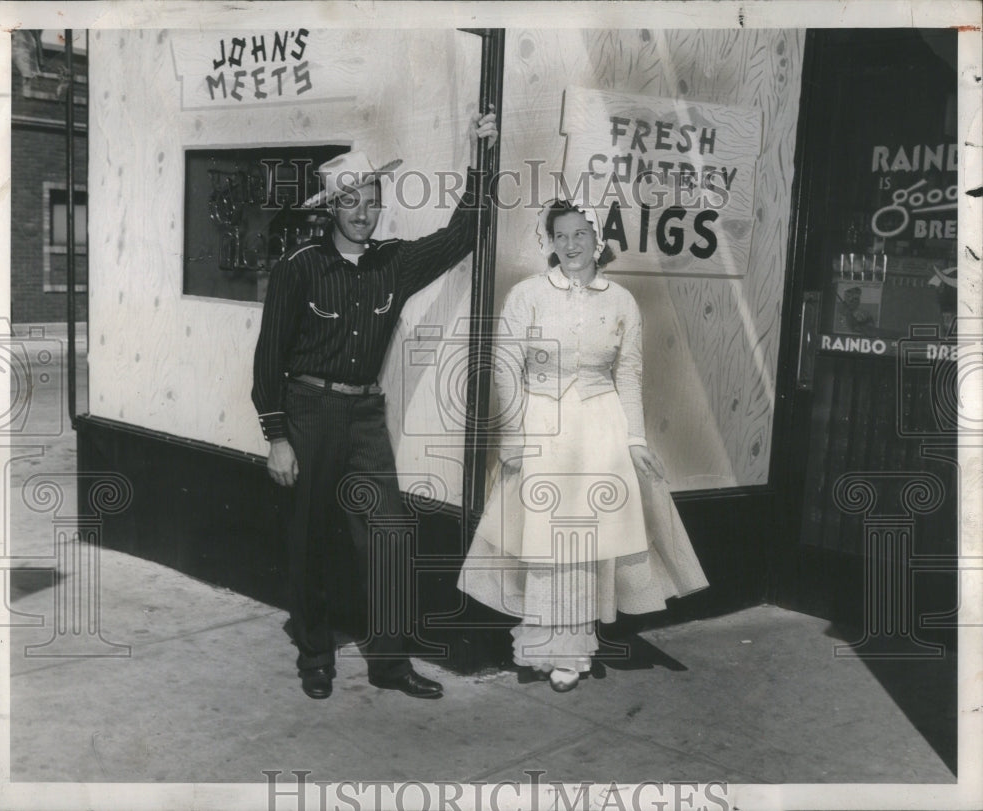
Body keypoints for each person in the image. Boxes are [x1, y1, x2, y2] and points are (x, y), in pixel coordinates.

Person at [252, 111, 498, 700]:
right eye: (351, 203)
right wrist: (277, 437)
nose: (363, 213)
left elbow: (462, 235)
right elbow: (268, 359)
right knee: (309, 538)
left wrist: (479, 157)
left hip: (365, 416)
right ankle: (315, 657)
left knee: (389, 533)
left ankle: (390, 663)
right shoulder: (299, 269)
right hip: (308, 412)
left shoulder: (394, 262)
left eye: (371, 201)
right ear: (331, 208)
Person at [459, 199, 709, 693]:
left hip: (599, 429)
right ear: (549, 243)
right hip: (541, 427)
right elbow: (507, 366)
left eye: (580, 235)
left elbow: (630, 373)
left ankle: (571, 653)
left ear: (597, 240)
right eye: (561, 237)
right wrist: (513, 435)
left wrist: (635, 440)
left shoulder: (620, 301)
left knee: (582, 547)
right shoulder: (527, 295)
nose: (571, 246)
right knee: (545, 544)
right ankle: (540, 647)